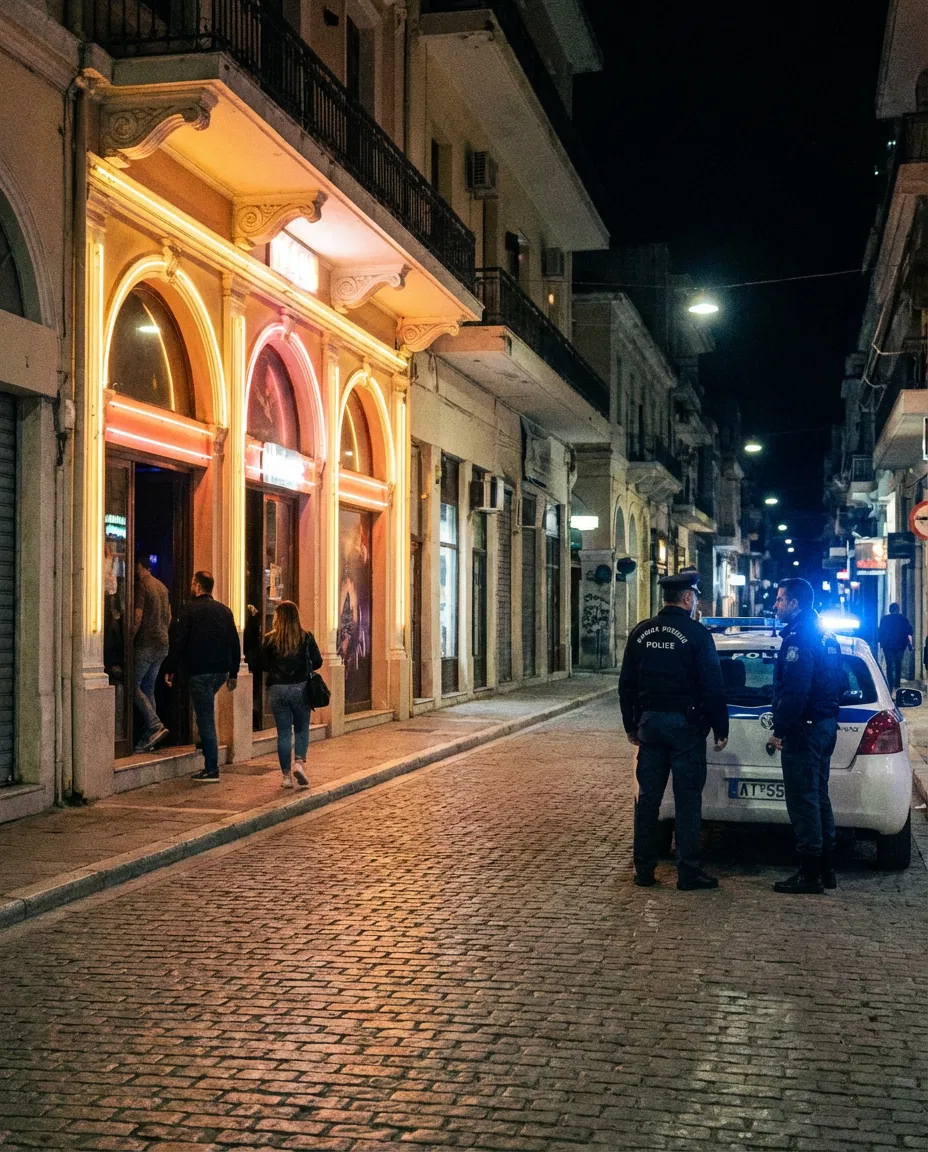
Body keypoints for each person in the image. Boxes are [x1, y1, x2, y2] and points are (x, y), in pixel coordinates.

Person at [619, 570, 729, 891]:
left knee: (648, 801)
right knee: (687, 801)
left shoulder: (641, 633)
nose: (695, 601)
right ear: (687, 598)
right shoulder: (696, 635)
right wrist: (720, 727)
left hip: (650, 726)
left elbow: (626, 685)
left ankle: (644, 870)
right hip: (686, 728)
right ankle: (688, 872)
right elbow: (713, 686)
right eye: (694, 596)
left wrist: (630, 725)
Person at [769, 577, 843, 894]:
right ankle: (826, 868)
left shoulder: (799, 639)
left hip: (805, 729)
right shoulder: (826, 636)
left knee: (803, 800)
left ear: (795, 604)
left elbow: (796, 691)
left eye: (780, 599)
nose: (776, 605)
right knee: (818, 797)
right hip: (824, 725)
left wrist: (780, 730)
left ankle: (809, 873)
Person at [162, 571, 241, 782]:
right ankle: (203, 742)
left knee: (205, 715)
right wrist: (233, 672)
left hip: (199, 671)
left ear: (197, 585)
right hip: (220, 672)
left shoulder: (189, 611)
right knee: (204, 707)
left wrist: (170, 669)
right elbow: (234, 642)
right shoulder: (224, 611)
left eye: (192, 583)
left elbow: (178, 643)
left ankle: (211, 767)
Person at [260, 600, 323, 788]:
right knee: (302, 729)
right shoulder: (306, 637)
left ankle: (286, 777)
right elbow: (318, 661)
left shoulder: (269, 639)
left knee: (284, 733)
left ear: (278, 618)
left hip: (278, 689)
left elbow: (262, 664)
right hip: (300, 687)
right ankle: (299, 763)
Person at [132, 554, 172, 752]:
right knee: (148, 688)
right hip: (162, 643)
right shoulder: (162, 587)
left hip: (146, 643)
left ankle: (154, 725)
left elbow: (137, 615)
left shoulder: (143, 585)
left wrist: (129, 637)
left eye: (136, 566)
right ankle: (151, 736)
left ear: (141, 566)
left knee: (133, 686)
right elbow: (169, 616)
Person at [877, 602, 913, 694]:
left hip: (888, 646)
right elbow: (909, 632)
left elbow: (881, 632)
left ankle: (890, 684)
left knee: (889, 665)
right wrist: (910, 644)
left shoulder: (884, 619)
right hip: (900, 646)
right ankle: (897, 684)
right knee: (898, 664)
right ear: (898, 609)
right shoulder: (903, 619)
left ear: (890, 610)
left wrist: (880, 643)